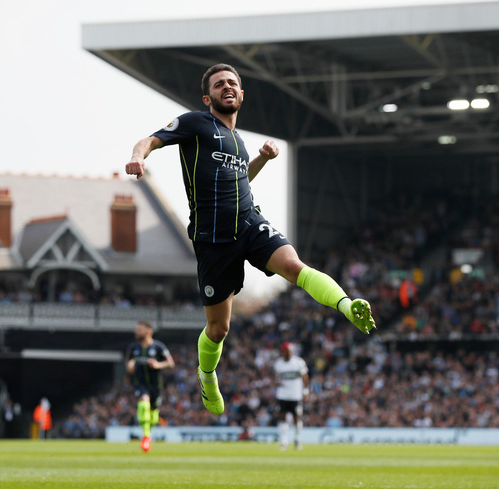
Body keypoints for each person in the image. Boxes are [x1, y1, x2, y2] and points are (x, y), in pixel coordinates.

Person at [125, 63, 376, 417]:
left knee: (294, 266)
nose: (227, 87)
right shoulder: (196, 123)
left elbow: (240, 180)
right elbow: (149, 140)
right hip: (212, 238)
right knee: (218, 328)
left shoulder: (240, 144)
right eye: (219, 84)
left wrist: (259, 158)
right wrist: (138, 157)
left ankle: (348, 306)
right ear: (207, 97)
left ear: (242, 95)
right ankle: (207, 374)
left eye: (232, 83)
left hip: (249, 222)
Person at [125, 320, 175, 452]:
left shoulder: (158, 347)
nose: (136, 332)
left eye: (139, 329)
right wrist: (130, 365)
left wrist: (158, 365)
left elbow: (170, 363)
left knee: (153, 415)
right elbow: (128, 364)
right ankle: (146, 437)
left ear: (148, 331)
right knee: (143, 403)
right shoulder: (133, 348)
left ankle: (149, 431)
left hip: (156, 386)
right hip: (140, 384)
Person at [273, 342, 309, 450]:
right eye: (287, 351)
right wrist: (276, 382)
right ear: (282, 352)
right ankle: (284, 442)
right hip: (282, 395)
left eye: (290, 351)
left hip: (295, 395)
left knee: (297, 418)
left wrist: (306, 391)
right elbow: (276, 378)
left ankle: (297, 440)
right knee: (282, 418)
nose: (289, 353)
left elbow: (305, 377)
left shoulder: (298, 362)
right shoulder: (278, 363)